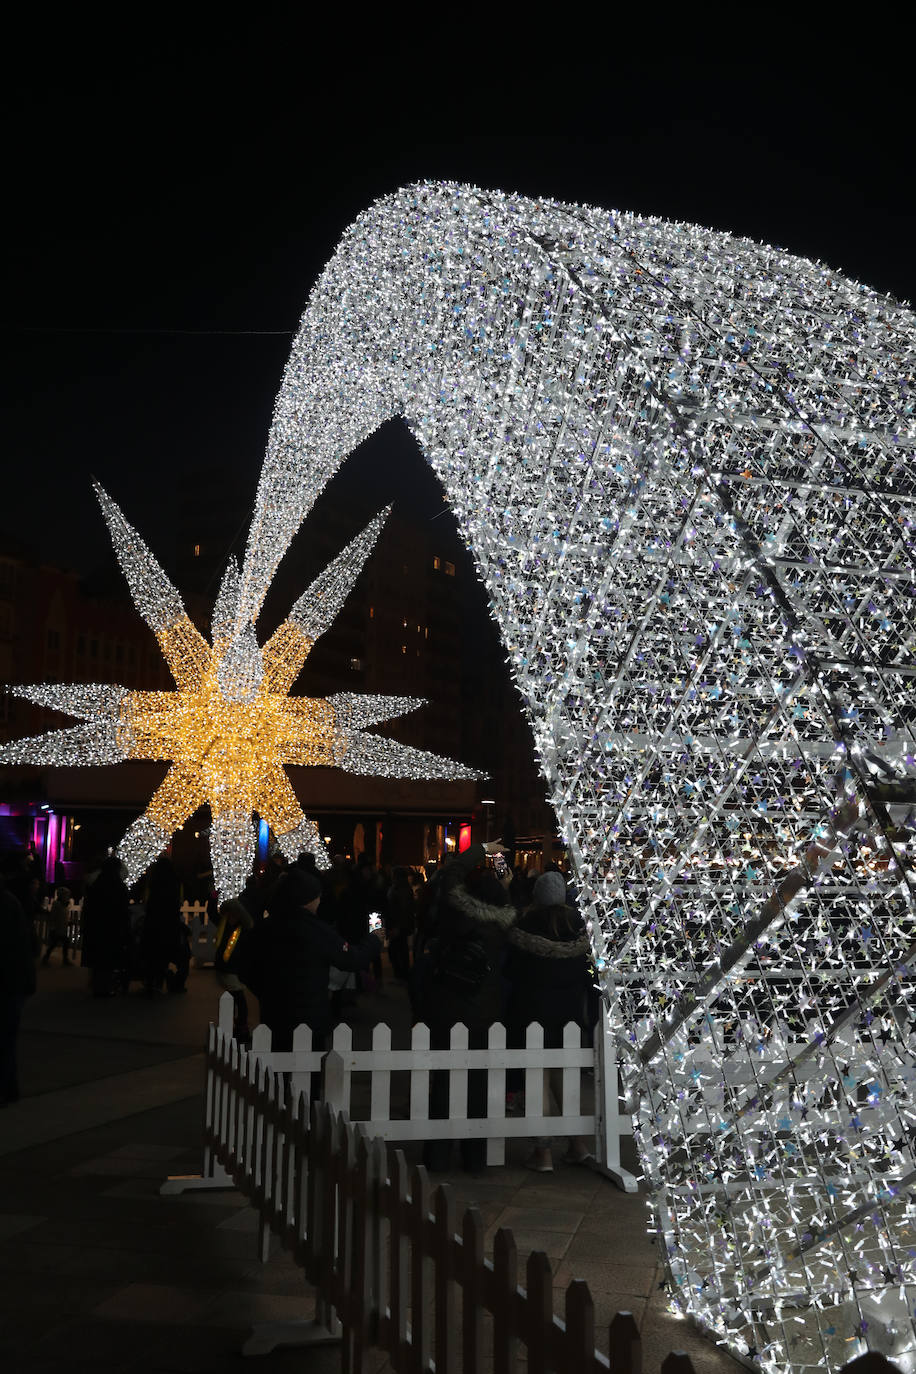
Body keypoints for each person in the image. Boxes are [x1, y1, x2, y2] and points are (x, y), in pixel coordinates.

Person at [412, 842, 515, 1173]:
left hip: (447, 1005)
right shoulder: (502, 924)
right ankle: (474, 1156)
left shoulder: (454, 911)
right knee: (479, 1086)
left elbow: (451, 872)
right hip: (485, 1012)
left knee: (443, 1080)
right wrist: (505, 885)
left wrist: (483, 848)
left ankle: (438, 1154)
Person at [503, 870, 597, 1172]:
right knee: (564, 1079)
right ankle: (576, 1144)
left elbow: (510, 972)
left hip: (530, 1015)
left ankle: (542, 1152)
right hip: (568, 1017)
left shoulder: (524, 927)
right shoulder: (578, 929)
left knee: (537, 1080)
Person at [244, 867, 382, 1051]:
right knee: (308, 1073)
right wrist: (374, 938)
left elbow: (245, 967)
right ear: (307, 899)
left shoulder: (265, 927)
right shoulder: (317, 930)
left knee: (276, 1072)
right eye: (317, 896)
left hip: (274, 1016)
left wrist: (266, 992)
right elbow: (352, 959)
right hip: (311, 1017)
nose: (319, 900)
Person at [0, 870, 40, 1105]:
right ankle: (9, 1087)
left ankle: (7, 1087)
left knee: (4, 1038)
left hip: (9, 981)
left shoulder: (6, 905)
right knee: (6, 1038)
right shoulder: (11, 903)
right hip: (14, 980)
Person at [80, 855, 131, 997]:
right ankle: (105, 987)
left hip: (96, 926)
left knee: (98, 958)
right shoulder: (118, 886)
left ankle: (97, 985)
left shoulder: (97, 883)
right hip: (112, 927)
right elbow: (123, 908)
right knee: (108, 958)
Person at [215, 896, 255, 1045]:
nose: (227, 916)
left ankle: (241, 1027)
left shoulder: (242, 929)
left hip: (232, 968)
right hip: (225, 967)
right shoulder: (225, 925)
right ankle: (240, 1026)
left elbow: (243, 951)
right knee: (236, 999)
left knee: (238, 999)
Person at [140, 854, 182, 994]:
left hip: (153, 922)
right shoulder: (174, 882)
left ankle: (149, 982)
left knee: (152, 954)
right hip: (168, 923)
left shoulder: (154, 882)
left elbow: (147, 902)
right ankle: (159, 981)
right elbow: (177, 903)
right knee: (163, 954)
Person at [385, 866, 415, 981]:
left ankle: (402, 974)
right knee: (400, 949)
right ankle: (402, 974)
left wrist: (397, 926)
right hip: (399, 924)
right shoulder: (401, 888)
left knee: (397, 949)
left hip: (398, 925)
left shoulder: (401, 889)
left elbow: (403, 909)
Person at [41, 884, 73, 966]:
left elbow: (64, 917)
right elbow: (53, 917)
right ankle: (46, 958)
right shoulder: (57, 905)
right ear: (61, 896)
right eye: (66, 895)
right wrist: (52, 927)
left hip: (62, 929)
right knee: (53, 944)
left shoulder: (65, 905)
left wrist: (68, 922)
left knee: (63, 943)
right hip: (56, 930)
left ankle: (64, 959)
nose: (67, 897)